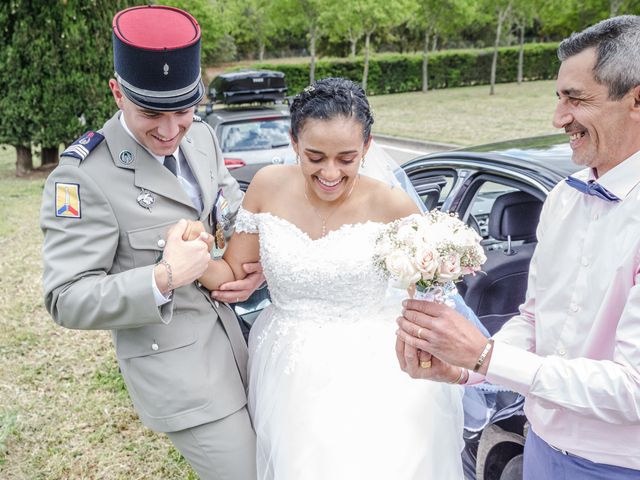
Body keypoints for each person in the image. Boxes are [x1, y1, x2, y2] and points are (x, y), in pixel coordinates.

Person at [396, 15, 640, 479]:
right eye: (558, 97)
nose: (558, 118)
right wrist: (468, 369)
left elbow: (633, 390)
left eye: (576, 99)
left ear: (636, 99)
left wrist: (485, 357)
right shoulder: (564, 198)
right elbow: (533, 319)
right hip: (541, 449)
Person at [187, 77, 468, 479]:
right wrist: (191, 256)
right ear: (294, 142)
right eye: (315, 157)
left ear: (367, 148)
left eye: (347, 158)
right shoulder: (267, 186)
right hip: (288, 367)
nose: (330, 172)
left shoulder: (391, 203)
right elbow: (231, 274)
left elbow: (430, 289)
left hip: (377, 371)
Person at [40, 5, 263, 479]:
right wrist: (164, 278)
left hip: (243, 350)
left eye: (183, 109)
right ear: (118, 92)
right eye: (150, 113)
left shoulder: (201, 137)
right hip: (182, 378)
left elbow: (229, 206)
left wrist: (251, 258)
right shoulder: (82, 177)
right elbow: (65, 297)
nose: (169, 131)